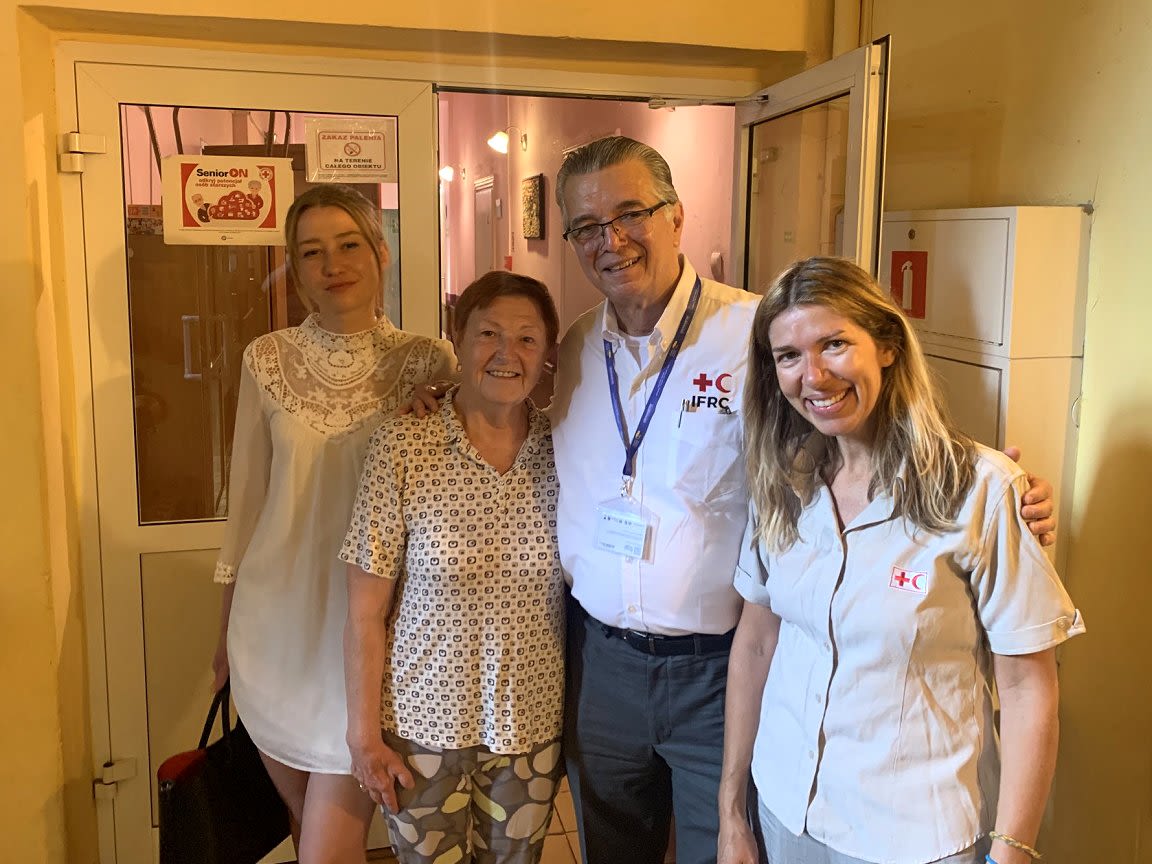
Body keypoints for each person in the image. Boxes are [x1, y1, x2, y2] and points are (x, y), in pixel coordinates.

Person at [546, 136, 1059, 864]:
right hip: (603, 667)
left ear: (676, 216)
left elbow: (869, 417)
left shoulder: (759, 333)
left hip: (719, 667)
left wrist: (1006, 494)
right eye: (587, 226)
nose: (612, 240)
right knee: (612, 847)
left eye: (631, 213)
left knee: (726, 844)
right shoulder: (569, 352)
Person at [717, 257, 1085, 864]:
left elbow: (1026, 685)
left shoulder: (981, 490)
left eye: (834, 344)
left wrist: (1013, 851)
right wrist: (732, 810)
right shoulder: (784, 484)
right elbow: (757, 643)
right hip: (786, 810)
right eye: (788, 356)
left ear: (886, 345)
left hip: (915, 835)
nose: (813, 376)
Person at [211, 184, 455, 863]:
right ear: (294, 266)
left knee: (326, 848)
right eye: (311, 251)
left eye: (349, 245)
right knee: (301, 826)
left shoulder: (430, 362)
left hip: (370, 637)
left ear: (381, 252)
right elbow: (248, 507)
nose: (332, 264)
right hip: (274, 628)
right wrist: (222, 637)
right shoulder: (266, 359)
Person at [341, 271, 566, 864]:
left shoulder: (564, 450)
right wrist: (363, 736)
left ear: (547, 354)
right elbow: (365, 613)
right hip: (420, 724)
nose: (506, 354)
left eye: (526, 339)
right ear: (458, 340)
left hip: (530, 720)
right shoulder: (403, 445)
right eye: (488, 333)